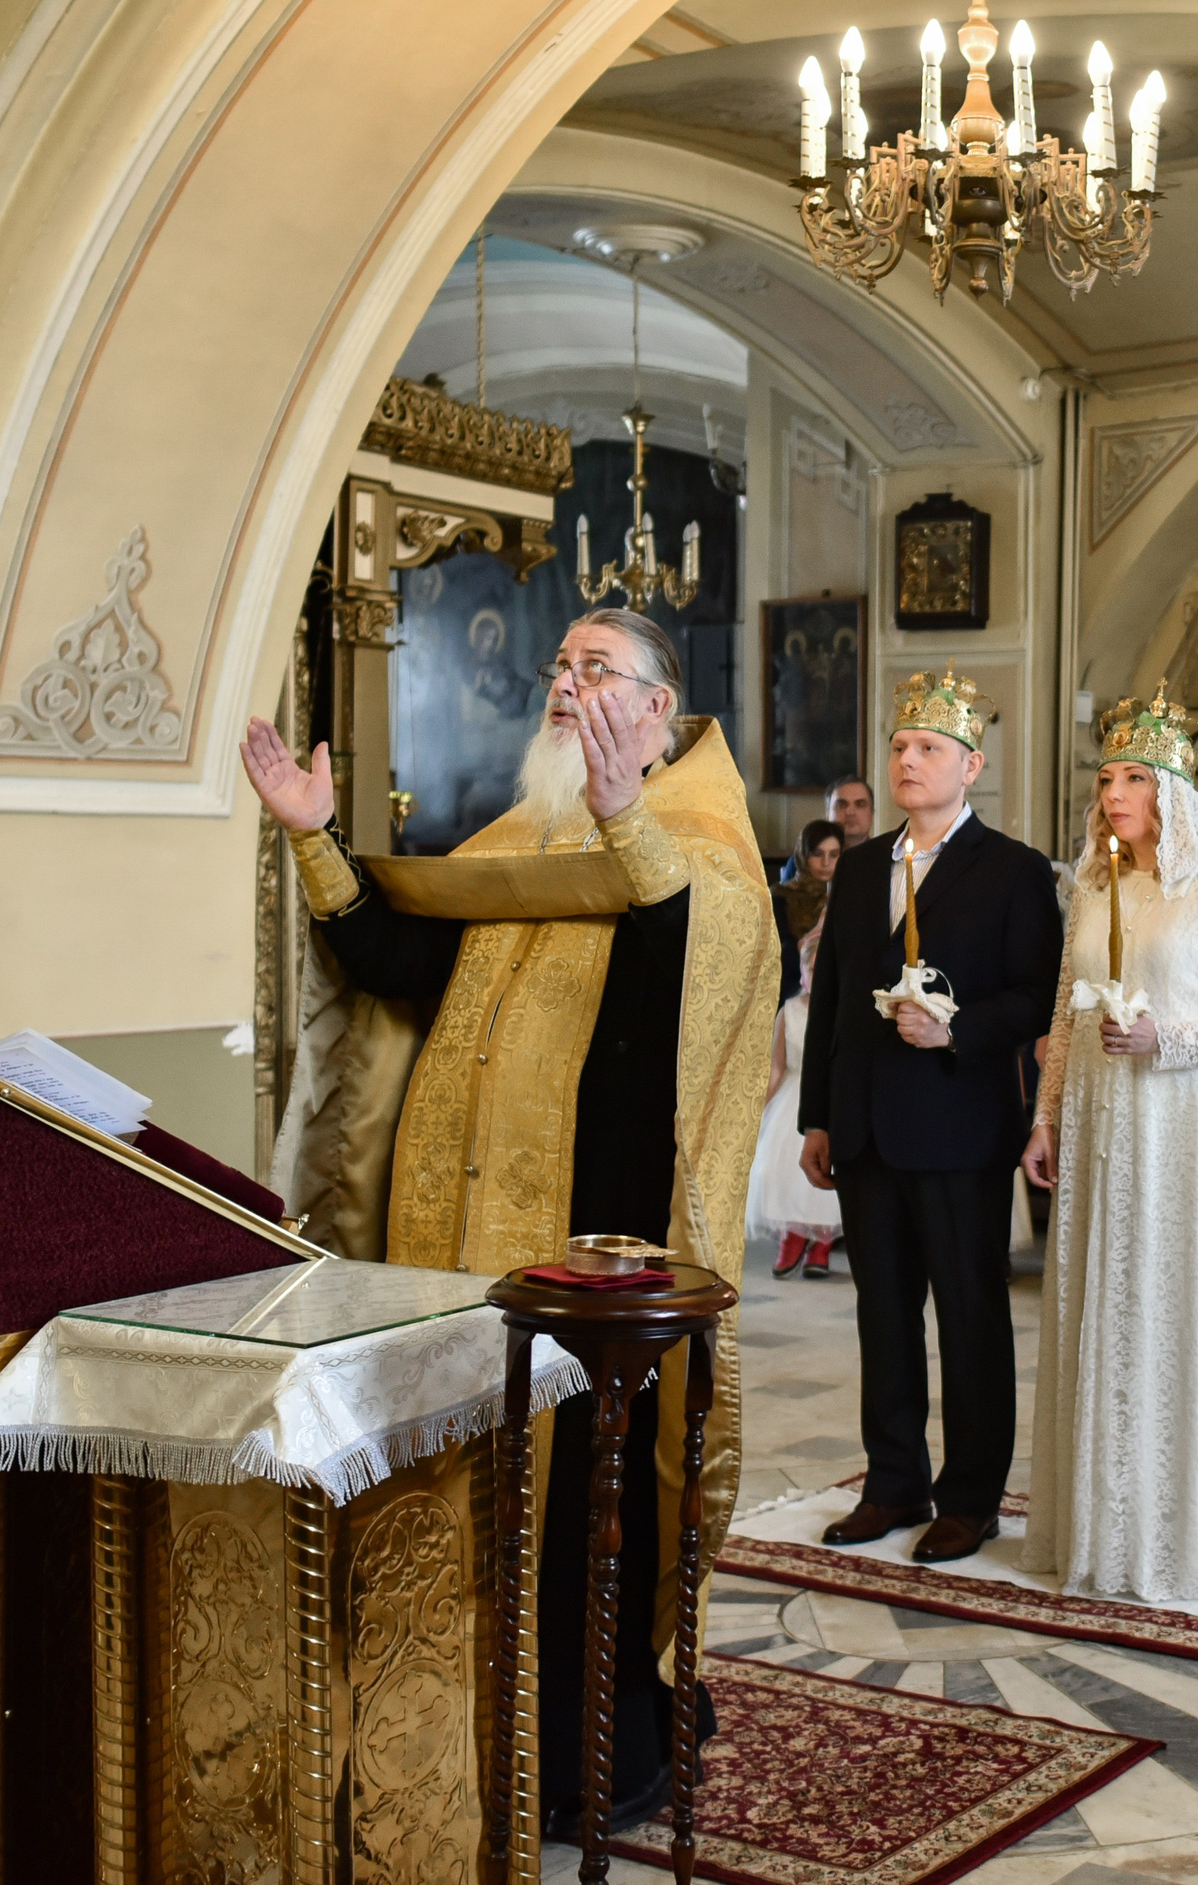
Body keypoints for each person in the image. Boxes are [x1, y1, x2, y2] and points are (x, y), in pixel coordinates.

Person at [246, 606, 774, 1835]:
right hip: (454, 1250)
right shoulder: (512, 839)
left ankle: (586, 1759)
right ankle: (436, 1732)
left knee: (574, 1515)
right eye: (559, 665)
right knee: (460, 1501)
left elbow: (684, 997)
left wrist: (621, 818)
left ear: (659, 709)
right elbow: (395, 962)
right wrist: (316, 838)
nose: (566, 684)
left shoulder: (701, 843)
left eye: (598, 670)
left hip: (591, 1272)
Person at [1021, 688, 1198, 1601]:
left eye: (1135, 775)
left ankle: (1185, 1522)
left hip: (1180, 1122)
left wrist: (1168, 1041)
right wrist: (1044, 1115)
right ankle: (1101, 1517)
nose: (1113, 790)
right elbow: (1064, 1007)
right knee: (1103, 1298)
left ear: (1172, 789)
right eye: (1106, 776)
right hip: (1097, 1118)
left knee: (1173, 1300)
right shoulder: (1090, 886)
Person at [800, 667, 1062, 1564]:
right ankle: (893, 1481)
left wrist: (956, 1029)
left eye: (928, 749)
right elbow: (832, 993)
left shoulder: (1016, 871)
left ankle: (972, 1495)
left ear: (971, 764)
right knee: (883, 1314)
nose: (909, 761)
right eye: (900, 747)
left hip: (959, 1126)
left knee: (969, 1314)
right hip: (868, 1125)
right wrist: (817, 1117)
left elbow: (1038, 996)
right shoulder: (865, 863)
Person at [751, 911, 844, 1279]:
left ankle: (821, 1242)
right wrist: (762, 1106)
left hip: (828, 1097)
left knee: (826, 1167)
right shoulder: (788, 1012)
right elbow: (777, 1066)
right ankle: (792, 1235)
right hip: (793, 1094)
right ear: (802, 973)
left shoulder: (841, 1014)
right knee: (781, 1167)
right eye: (812, 971)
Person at [773, 818, 843, 1001]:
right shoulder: (780, 897)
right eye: (817, 854)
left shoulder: (848, 896)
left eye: (834, 854)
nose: (826, 863)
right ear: (803, 855)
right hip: (790, 989)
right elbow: (778, 954)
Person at [779, 776, 875, 882]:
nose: (850, 812)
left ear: (872, 814)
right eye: (842, 805)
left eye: (860, 805)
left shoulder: (884, 861)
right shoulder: (802, 863)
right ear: (828, 815)